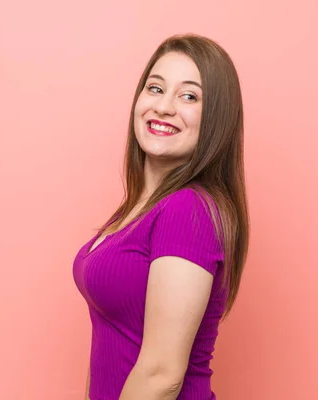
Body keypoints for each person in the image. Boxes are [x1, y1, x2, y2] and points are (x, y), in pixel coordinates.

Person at [72, 33, 250, 400]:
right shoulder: (140, 209)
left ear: (216, 119)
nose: (165, 106)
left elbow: (161, 375)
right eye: (155, 88)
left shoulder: (189, 211)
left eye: (189, 96)